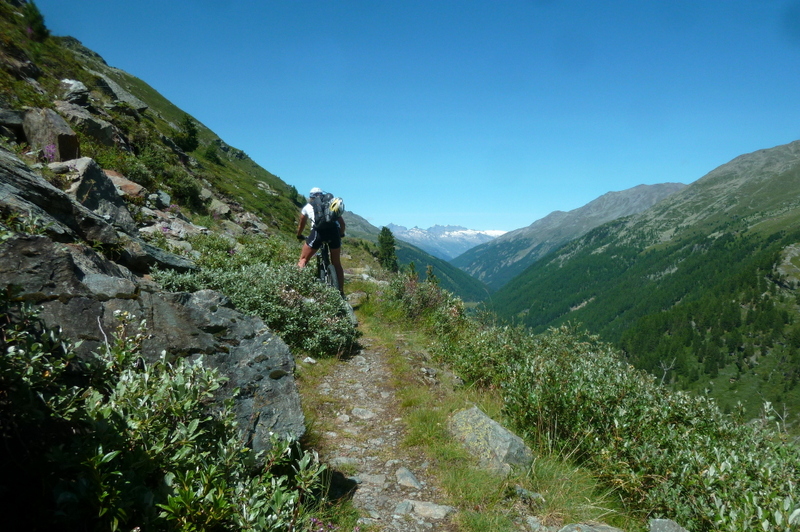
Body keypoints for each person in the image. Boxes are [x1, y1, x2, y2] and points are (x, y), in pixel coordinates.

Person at [296, 187, 346, 294]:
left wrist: (299, 235)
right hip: (334, 233)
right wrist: (341, 234)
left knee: (303, 259)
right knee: (336, 263)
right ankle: (341, 292)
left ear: (311, 197)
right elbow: (342, 224)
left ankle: (297, 289)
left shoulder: (308, 207)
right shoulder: (330, 205)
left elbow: (301, 224)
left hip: (318, 233)